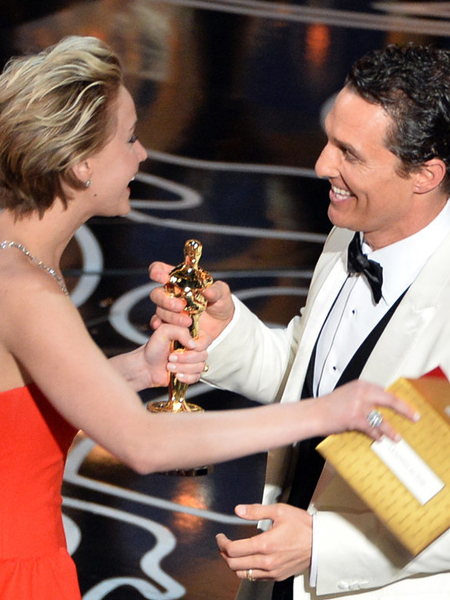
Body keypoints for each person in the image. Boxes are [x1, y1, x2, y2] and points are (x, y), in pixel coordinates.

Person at [0, 36, 414, 600]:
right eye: (130, 139)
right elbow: (143, 443)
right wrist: (328, 411)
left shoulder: (20, 264)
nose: (143, 155)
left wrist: (135, 370)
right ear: (80, 166)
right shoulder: (26, 289)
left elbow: (19, 415)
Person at [150, 43, 450, 600]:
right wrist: (225, 336)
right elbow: (312, 377)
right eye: (329, 138)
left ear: (425, 174)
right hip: (281, 574)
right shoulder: (347, 233)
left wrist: (324, 546)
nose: (321, 166)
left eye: (349, 153)